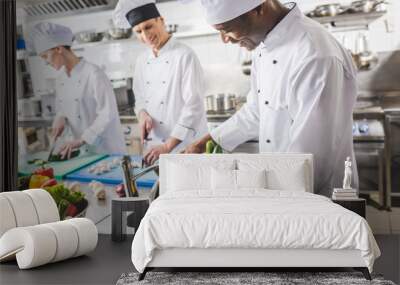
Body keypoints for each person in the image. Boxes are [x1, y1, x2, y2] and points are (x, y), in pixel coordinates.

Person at [184, 0, 359, 196]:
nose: (225, 40)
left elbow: (311, 156)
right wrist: (211, 140)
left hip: (317, 198)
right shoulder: (263, 47)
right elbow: (257, 111)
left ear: (258, 9)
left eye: (227, 29)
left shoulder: (314, 54)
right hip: (283, 188)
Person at [113, 0, 208, 165]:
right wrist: (142, 113)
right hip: (155, 147)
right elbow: (140, 99)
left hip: (184, 147)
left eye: (148, 26)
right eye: (138, 31)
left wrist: (168, 146)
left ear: (161, 20)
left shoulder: (184, 55)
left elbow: (194, 106)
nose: (145, 35)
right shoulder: (142, 60)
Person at [31, 22, 126, 158]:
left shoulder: (94, 74)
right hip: (84, 154)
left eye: (45, 56)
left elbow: (107, 113)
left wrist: (82, 139)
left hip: (107, 150)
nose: (45, 62)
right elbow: (63, 107)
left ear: (58, 49)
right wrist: (61, 117)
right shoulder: (61, 79)